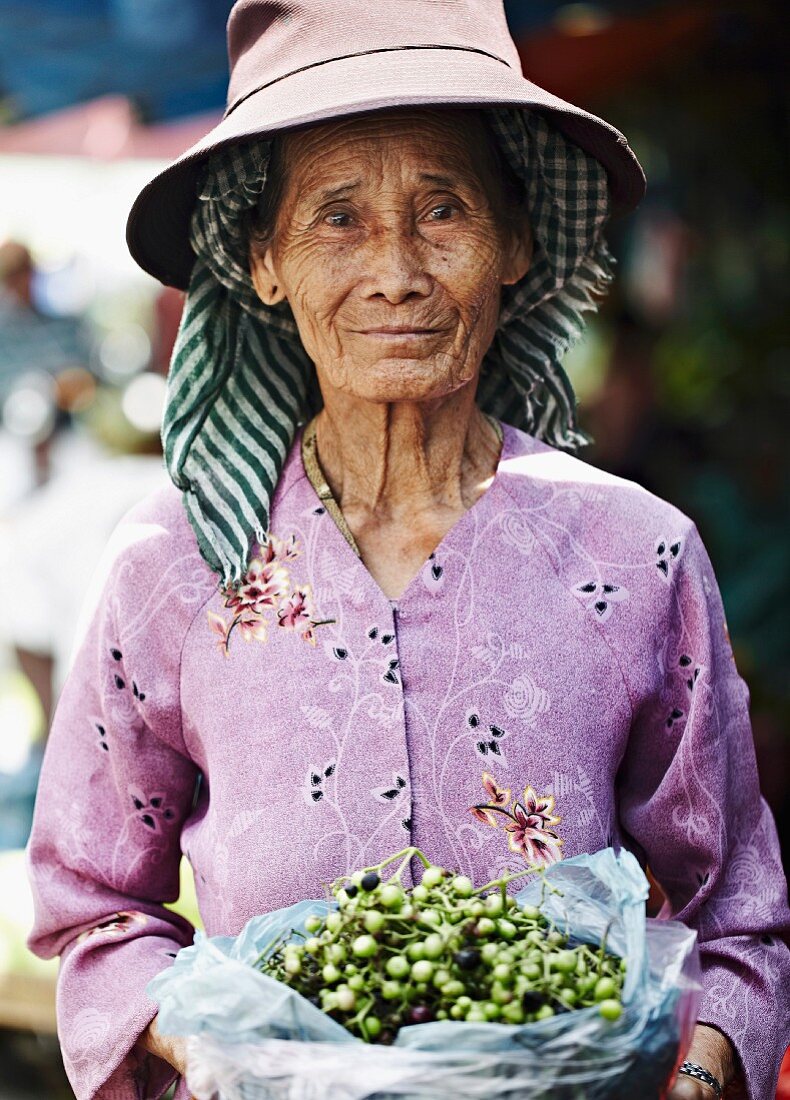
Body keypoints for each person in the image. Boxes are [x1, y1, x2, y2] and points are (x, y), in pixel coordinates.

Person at [25, 3, 789, 1099]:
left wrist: (701, 1072)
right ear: (263, 257)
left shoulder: (636, 553)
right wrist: (234, 1050)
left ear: (515, 242)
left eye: (444, 211)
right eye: (337, 217)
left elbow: (733, 915)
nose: (396, 271)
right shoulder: (173, 559)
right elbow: (95, 908)